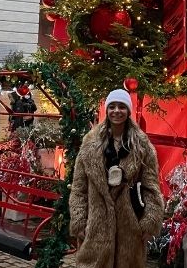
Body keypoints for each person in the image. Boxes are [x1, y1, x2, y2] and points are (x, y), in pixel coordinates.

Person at [69, 89, 164, 268]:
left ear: (128, 111)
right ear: (106, 110)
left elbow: (151, 187)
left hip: (130, 227)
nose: (116, 111)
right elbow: (79, 187)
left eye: (122, 106)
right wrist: (79, 220)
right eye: (112, 106)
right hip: (97, 227)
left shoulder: (142, 146)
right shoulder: (90, 144)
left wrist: (149, 222)